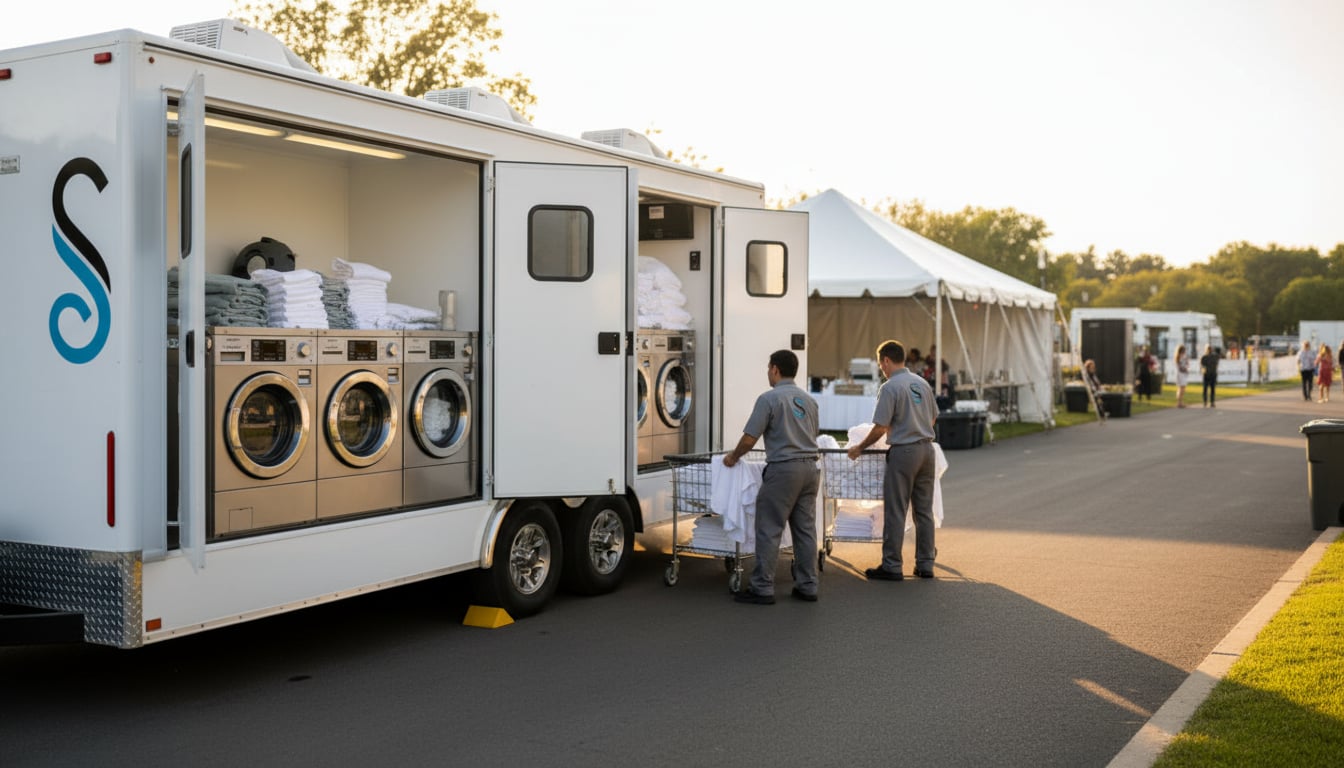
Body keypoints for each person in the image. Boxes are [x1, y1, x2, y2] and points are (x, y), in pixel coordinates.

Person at [723, 349, 821, 605]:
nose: (768, 372)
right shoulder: (809, 401)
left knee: (769, 527)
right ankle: (808, 585)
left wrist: (733, 457)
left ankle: (762, 587)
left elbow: (749, 438)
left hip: (784, 470)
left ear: (775, 369)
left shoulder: (769, 399)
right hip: (810, 469)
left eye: (768, 368)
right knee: (805, 531)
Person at [848, 340, 939, 580]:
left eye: (881, 365)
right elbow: (933, 419)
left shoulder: (890, 387)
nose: (881, 370)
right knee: (924, 511)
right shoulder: (922, 383)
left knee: (896, 509)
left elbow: (880, 427)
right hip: (927, 451)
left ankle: (891, 564)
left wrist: (859, 447)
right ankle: (925, 563)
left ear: (886, 360)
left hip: (905, 452)